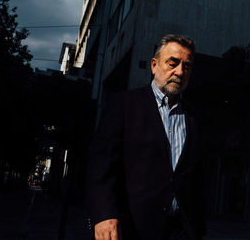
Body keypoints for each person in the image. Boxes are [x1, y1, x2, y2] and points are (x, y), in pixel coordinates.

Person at [86, 34, 206, 240]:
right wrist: (104, 215)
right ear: (154, 65)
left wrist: (200, 230)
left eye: (187, 66)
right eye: (173, 63)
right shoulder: (123, 105)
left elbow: (198, 180)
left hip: (181, 231)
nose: (179, 71)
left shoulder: (195, 117)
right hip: (133, 229)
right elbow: (100, 167)